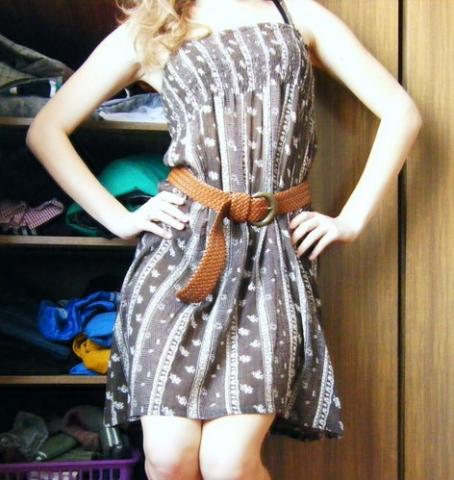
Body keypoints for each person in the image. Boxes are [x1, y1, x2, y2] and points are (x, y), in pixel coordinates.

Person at [26, 0, 422, 478]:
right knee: (168, 459)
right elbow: (47, 130)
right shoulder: (154, 25)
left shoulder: (295, 15)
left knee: (229, 463)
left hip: (270, 260)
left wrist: (351, 220)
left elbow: (401, 112)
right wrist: (118, 217)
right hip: (177, 260)